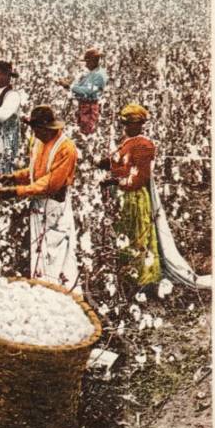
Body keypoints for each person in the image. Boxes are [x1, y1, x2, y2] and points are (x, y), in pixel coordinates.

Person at [0, 105, 79, 291]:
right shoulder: (38, 141)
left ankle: (60, 295)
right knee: (39, 252)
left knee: (56, 254)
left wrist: (17, 191)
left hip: (55, 206)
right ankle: (42, 290)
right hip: (38, 204)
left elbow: (50, 183)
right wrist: (14, 177)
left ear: (46, 128)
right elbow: (35, 172)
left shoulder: (66, 148)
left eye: (37, 129)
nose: (34, 133)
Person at [98, 103, 161, 289]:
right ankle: (128, 274)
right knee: (125, 233)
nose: (126, 128)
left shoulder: (144, 145)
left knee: (138, 235)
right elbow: (121, 163)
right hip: (125, 196)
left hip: (135, 196)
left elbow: (140, 177)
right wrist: (107, 164)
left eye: (130, 124)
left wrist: (115, 181)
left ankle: (144, 279)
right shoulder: (128, 142)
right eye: (125, 124)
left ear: (140, 124)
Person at [57, 48, 107, 135]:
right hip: (84, 106)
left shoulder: (99, 75)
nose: (86, 65)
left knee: (87, 131)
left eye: (88, 62)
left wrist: (69, 86)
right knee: (81, 129)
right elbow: (81, 87)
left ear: (93, 61)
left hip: (89, 108)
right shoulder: (91, 73)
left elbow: (88, 91)